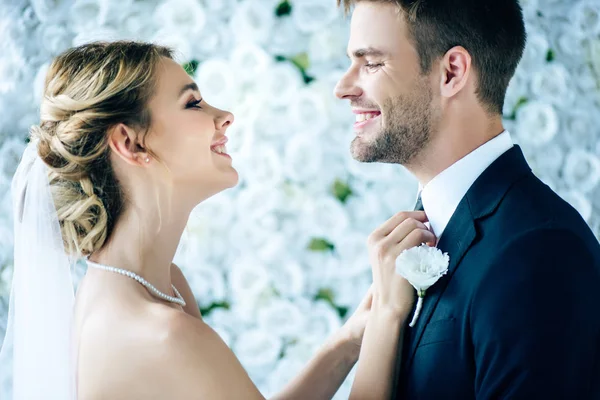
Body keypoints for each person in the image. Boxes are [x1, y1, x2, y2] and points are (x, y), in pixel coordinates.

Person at [0, 41, 430, 400]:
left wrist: (349, 340)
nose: (224, 116)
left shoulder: (158, 282)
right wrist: (389, 315)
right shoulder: (161, 333)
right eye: (193, 103)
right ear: (130, 143)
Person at [334, 0, 600, 399]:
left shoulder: (539, 251)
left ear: (451, 72)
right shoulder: (424, 230)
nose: (343, 88)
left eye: (370, 63)